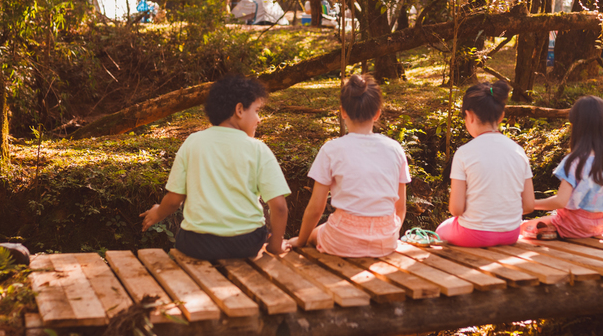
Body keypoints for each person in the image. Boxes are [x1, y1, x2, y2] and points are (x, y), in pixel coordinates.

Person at [141, 75, 289, 260]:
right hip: (246, 243)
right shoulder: (257, 149)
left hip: (196, 244)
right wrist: (275, 246)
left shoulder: (192, 142)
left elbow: (173, 200)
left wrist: (157, 213)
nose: (259, 119)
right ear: (240, 110)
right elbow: (279, 207)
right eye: (257, 111)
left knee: (186, 236)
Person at [284, 74, 410, 257]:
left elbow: (316, 208)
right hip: (386, 240)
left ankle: (305, 239)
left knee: (315, 233)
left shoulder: (331, 150)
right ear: (377, 114)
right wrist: (386, 235)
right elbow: (400, 208)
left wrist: (300, 240)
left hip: (342, 241)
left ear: (343, 111)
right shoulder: (395, 149)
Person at [435, 80, 534, 248]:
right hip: (511, 234)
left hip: (473, 235)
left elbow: (456, 210)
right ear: (502, 116)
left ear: (470, 116)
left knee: (441, 229)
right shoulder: (519, 151)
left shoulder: (464, 153)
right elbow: (529, 205)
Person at [525, 95, 603, 239]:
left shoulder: (574, 161)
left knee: (525, 226)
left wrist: (531, 204)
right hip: (598, 226)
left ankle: (551, 230)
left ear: (576, 126)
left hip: (569, 225)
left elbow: (561, 201)